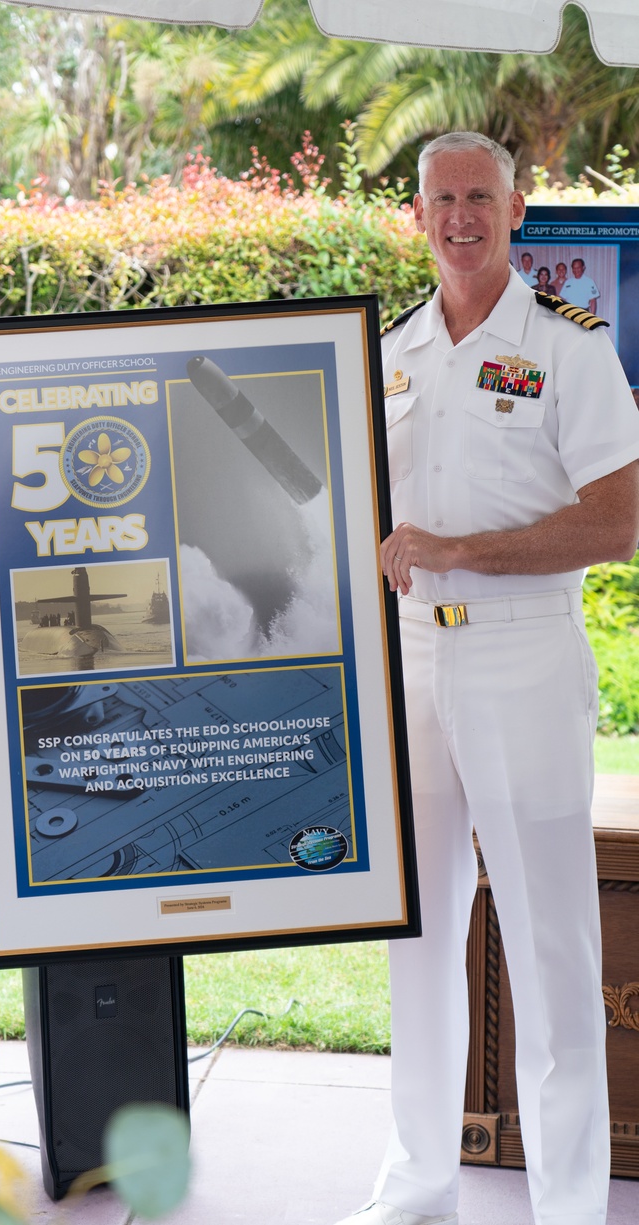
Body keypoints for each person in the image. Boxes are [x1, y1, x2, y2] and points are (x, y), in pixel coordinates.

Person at [335, 132, 639, 1225]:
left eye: (480, 197)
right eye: (440, 199)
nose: (459, 216)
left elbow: (619, 523)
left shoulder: (567, 349)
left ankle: (566, 1204)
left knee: (551, 941)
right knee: (412, 935)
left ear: (517, 211)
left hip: (521, 652)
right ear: (415, 215)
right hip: (409, 658)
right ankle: (416, 1181)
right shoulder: (382, 350)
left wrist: (466, 551)